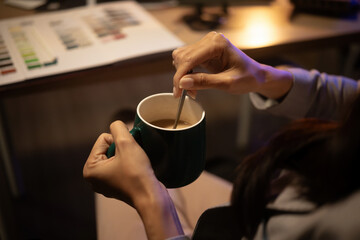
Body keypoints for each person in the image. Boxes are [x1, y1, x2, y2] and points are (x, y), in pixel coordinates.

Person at [83, 32, 360, 240]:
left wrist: (148, 199)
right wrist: (262, 76)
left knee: (132, 186)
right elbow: (351, 97)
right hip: (248, 210)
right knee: (157, 168)